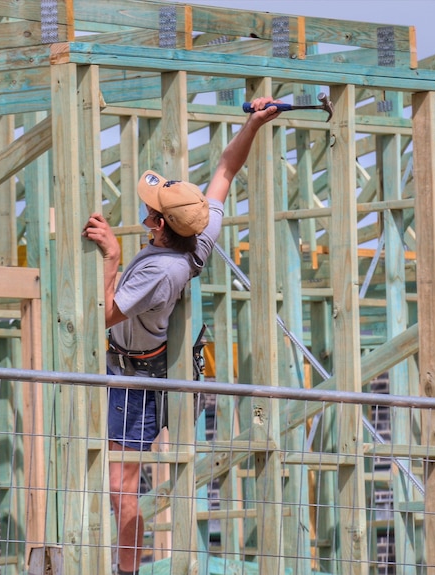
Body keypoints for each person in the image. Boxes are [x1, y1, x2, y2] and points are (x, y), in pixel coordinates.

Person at [82, 97, 283, 575]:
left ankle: (126, 570)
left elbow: (105, 315)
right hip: (157, 372)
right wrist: (253, 123)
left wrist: (111, 257)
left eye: (150, 211)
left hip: (135, 380)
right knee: (128, 482)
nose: (145, 213)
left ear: (158, 226)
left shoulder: (156, 269)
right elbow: (226, 171)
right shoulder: (199, 232)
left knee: (121, 486)